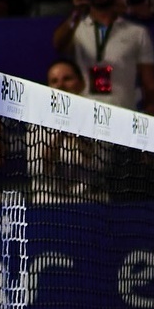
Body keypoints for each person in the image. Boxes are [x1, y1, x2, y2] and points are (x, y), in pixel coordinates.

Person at [52, 0, 154, 115]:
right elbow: (59, 45)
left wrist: (150, 119)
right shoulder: (76, 29)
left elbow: (150, 87)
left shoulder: (137, 33)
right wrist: (77, 11)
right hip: (83, 117)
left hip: (123, 117)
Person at [26, 59, 106, 202]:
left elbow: (99, 165)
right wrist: (61, 131)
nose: (61, 86)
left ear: (82, 83)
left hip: (89, 202)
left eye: (67, 79)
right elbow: (40, 169)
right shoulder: (37, 123)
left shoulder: (97, 119)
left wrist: (75, 130)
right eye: (54, 81)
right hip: (49, 203)